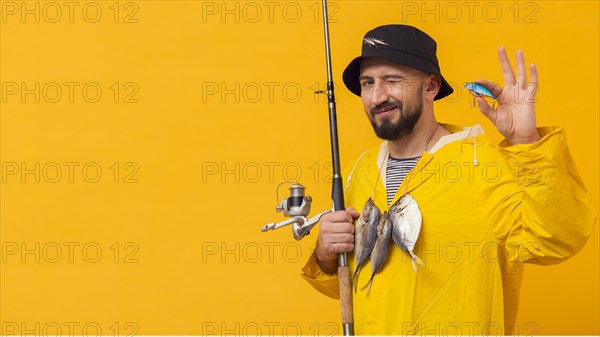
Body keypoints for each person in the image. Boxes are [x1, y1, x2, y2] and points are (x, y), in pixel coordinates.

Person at [300, 24, 596, 335]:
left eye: (392, 80)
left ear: (430, 87)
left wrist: (526, 141)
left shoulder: (483, 163)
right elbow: (356, 280)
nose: (377, 96)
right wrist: (325, 254)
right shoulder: (361, 170)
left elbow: (557, 239)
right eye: (368, 82)